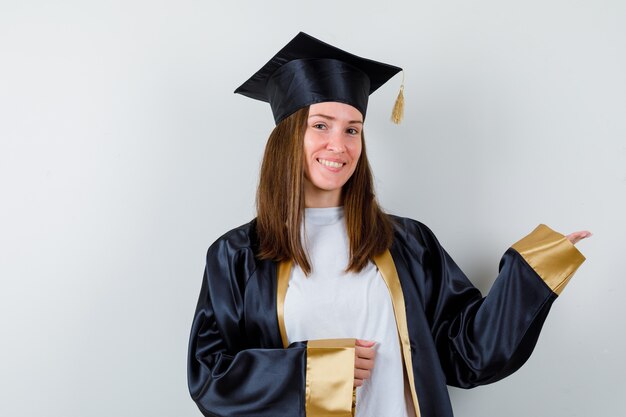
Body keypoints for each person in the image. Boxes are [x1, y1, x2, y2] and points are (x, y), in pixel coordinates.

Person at [187, 32, 590, 417]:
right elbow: (209, 379)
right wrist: (318, 371)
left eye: (353, 130)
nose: (339, 145)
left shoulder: (407, 242)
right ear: (289, 137)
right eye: (321, 125)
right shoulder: (238, 253)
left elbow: (466, 355)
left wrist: (531, 273)